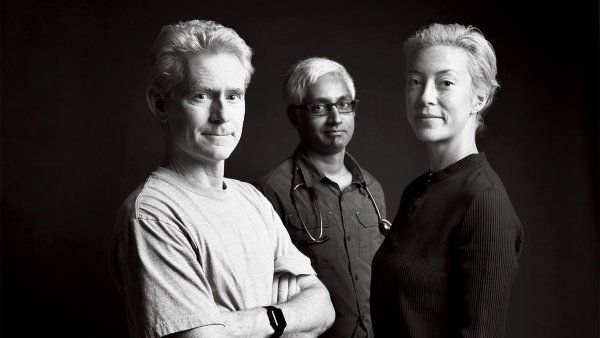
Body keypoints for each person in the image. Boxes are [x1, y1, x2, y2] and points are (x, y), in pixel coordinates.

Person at [109, 20, 334, 338]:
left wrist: (251, 321)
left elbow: (323, 307)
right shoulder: (152, 213)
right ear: (160, 104)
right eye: (201, 96)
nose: (222, 115)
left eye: (233, 96)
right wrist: (290, 319)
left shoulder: (252, 200)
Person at [370, 23, 524, 337]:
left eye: (446, 83)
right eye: (415, 80)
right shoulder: (418, 189)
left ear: (479, 98)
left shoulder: (483, 201)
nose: (425, 96)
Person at [256, 57, 388, 337]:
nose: (336, 118)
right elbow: (259, 292)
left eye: (343, 104)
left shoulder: (372, 190)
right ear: (296, 116)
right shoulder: (270, 192)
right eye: (320, 107)